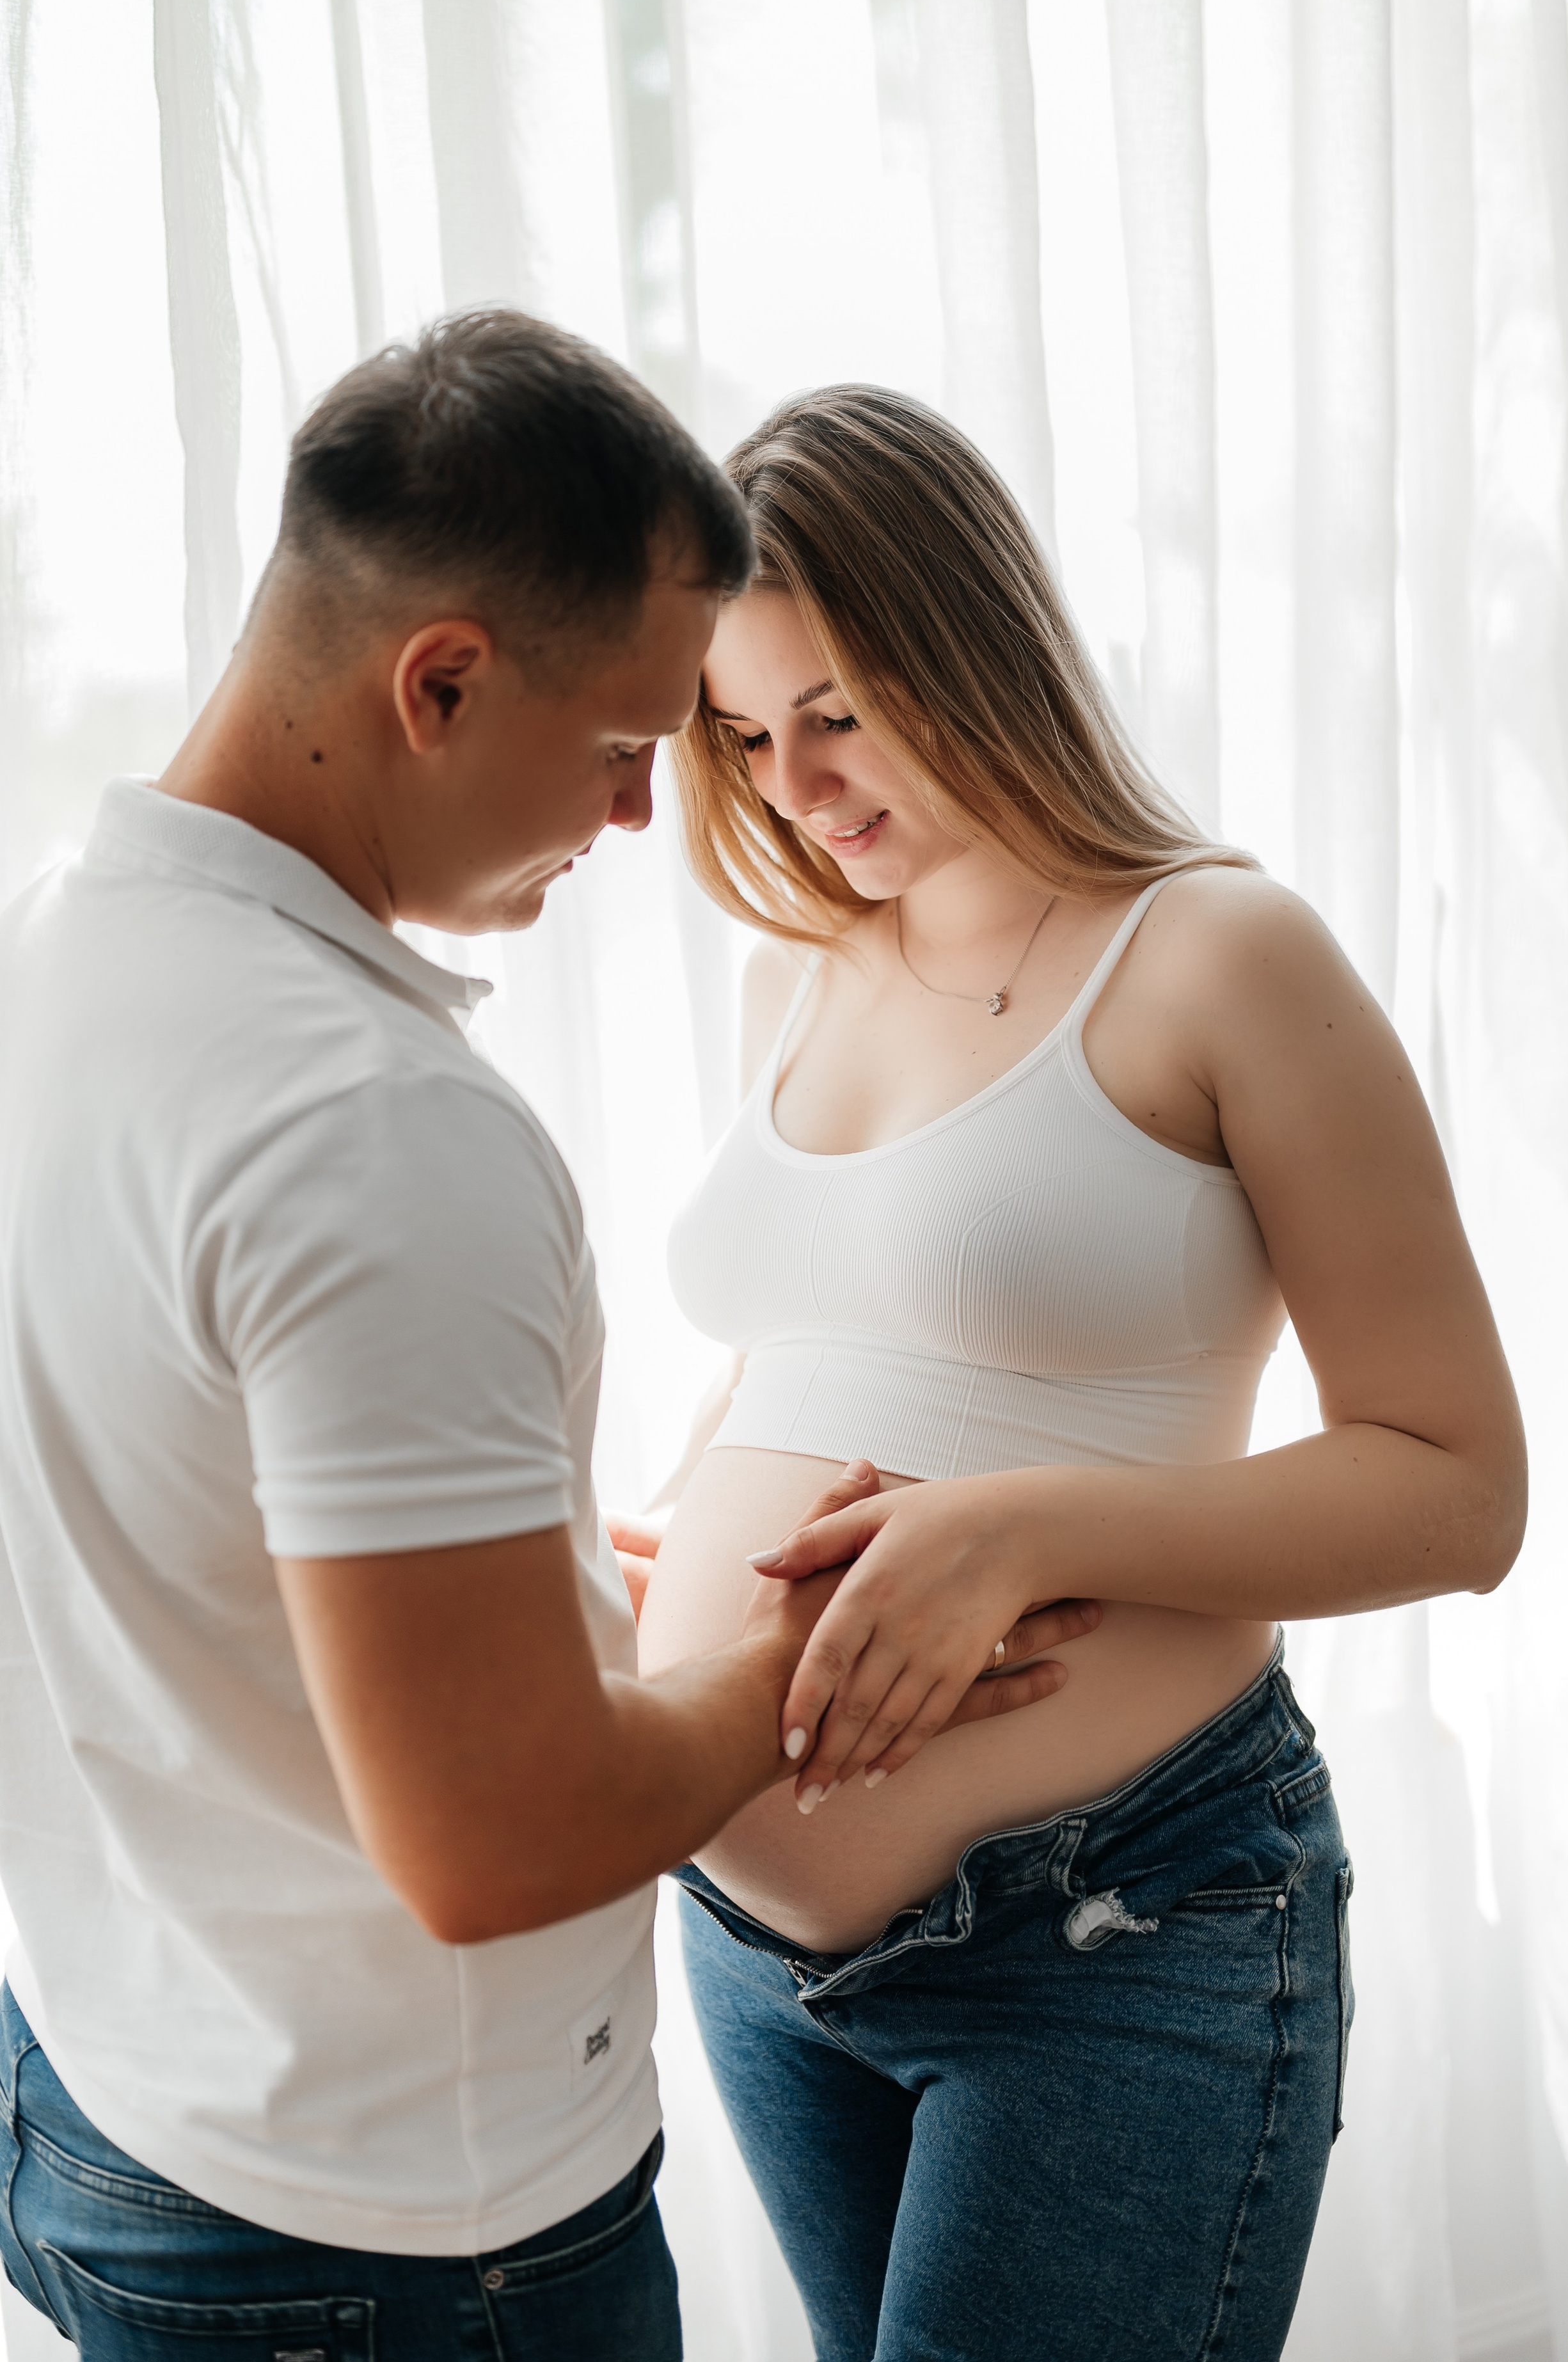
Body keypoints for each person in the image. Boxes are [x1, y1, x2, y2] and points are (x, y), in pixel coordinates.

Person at [0, 317, 1084, 2361]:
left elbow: (159, 1491)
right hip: (401, 2239)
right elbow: (496, 1844)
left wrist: (546, 1587)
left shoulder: (58, 957)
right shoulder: (370, 1124)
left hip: (117, 2095)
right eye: (631, 747)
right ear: (440, 681)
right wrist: (812, 1662)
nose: (636, 823)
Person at [626, 384, 1528, 2362]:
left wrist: (1015, 1532)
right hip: (758, 1955)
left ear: (975, 639)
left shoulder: (1219, 957)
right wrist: (695, 1528)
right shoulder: (803, 968)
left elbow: (1462, 1488)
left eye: (838, 711)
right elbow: (839, 1330)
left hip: (1112, 1926)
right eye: (740, 731)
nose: (793, 784)